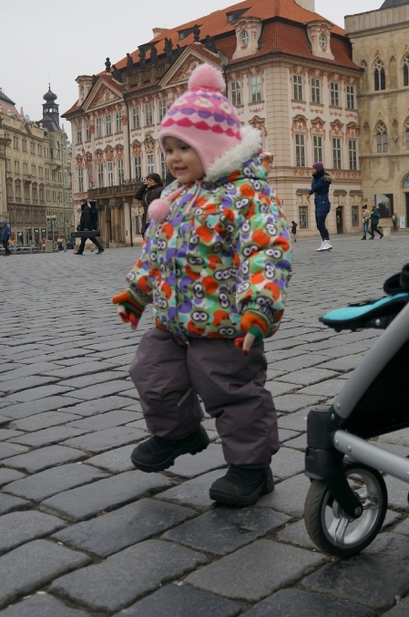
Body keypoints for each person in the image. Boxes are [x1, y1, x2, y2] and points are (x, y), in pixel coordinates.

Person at [112, 63, 292, 507]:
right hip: (171, 321)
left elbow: (267, 250)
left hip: (226, 324)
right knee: (150, 373)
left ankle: (252, 467)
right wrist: (137, 291)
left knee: (231, 392)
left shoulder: (247, 194)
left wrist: (261, 305)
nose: (173, 159)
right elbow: (156, 251)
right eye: (168, 148)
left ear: (212, 148)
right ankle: (179, 434)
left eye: (184, 148)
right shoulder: (173, 196)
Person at [307, 162, 333, 251]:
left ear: (317, 170)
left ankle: (327, 241)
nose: (312, 170)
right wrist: (310, 193)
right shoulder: (317, 178)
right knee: (318, 224)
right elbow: (313, 187)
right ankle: (324, 241)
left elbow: (315, 187)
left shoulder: (324, 179)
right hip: (318, 202)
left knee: (321, 223)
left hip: (323, 202)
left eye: (313, 169)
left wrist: (311, 190)